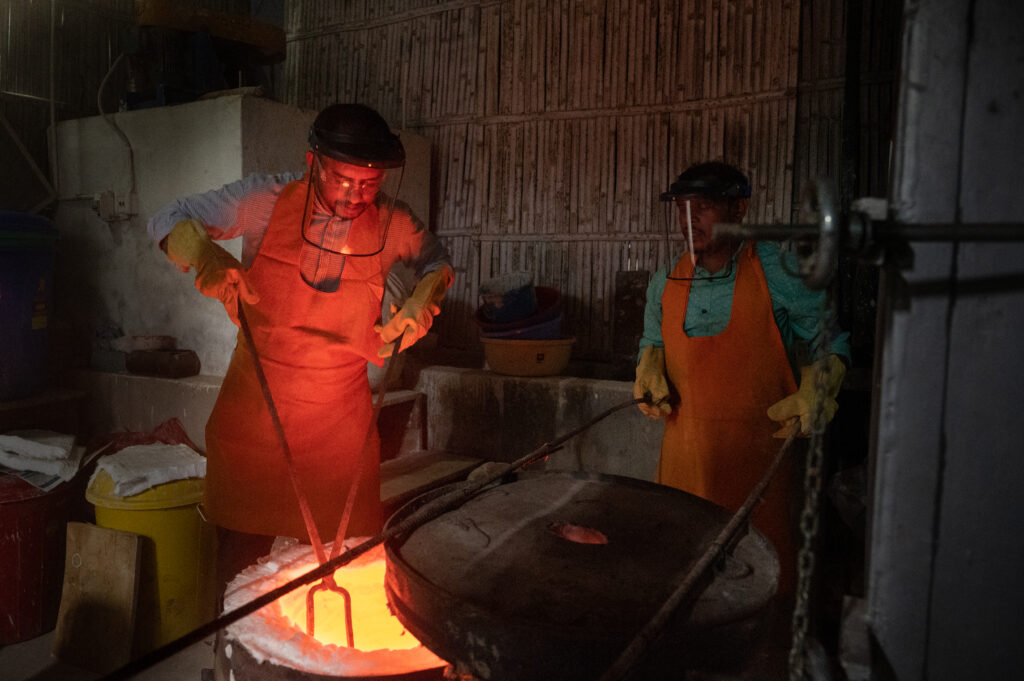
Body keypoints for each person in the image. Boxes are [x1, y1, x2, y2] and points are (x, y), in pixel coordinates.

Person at [147, 103, 454, 592]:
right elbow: (167, 217)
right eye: (342, 180)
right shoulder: (263, 200)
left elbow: (437, 262)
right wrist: (204, 254)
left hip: (338, 428)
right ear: (313, 163)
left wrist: (422, 301)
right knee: (239, 570)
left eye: (369, 184)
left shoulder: (393, 222)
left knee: (344, 566)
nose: (355, 195)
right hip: (257, 414)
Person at [632, 161, 849, 594]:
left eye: (705, 206)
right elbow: (652, 342)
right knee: (680, 580)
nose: (690, 218)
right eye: (682, 207)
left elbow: (828, 340)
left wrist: (819, 385)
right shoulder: (664, 283)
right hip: (683, 468)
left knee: (758, 583)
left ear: (740, 208)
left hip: (759, 472)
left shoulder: (782, 272)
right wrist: (648, 366)